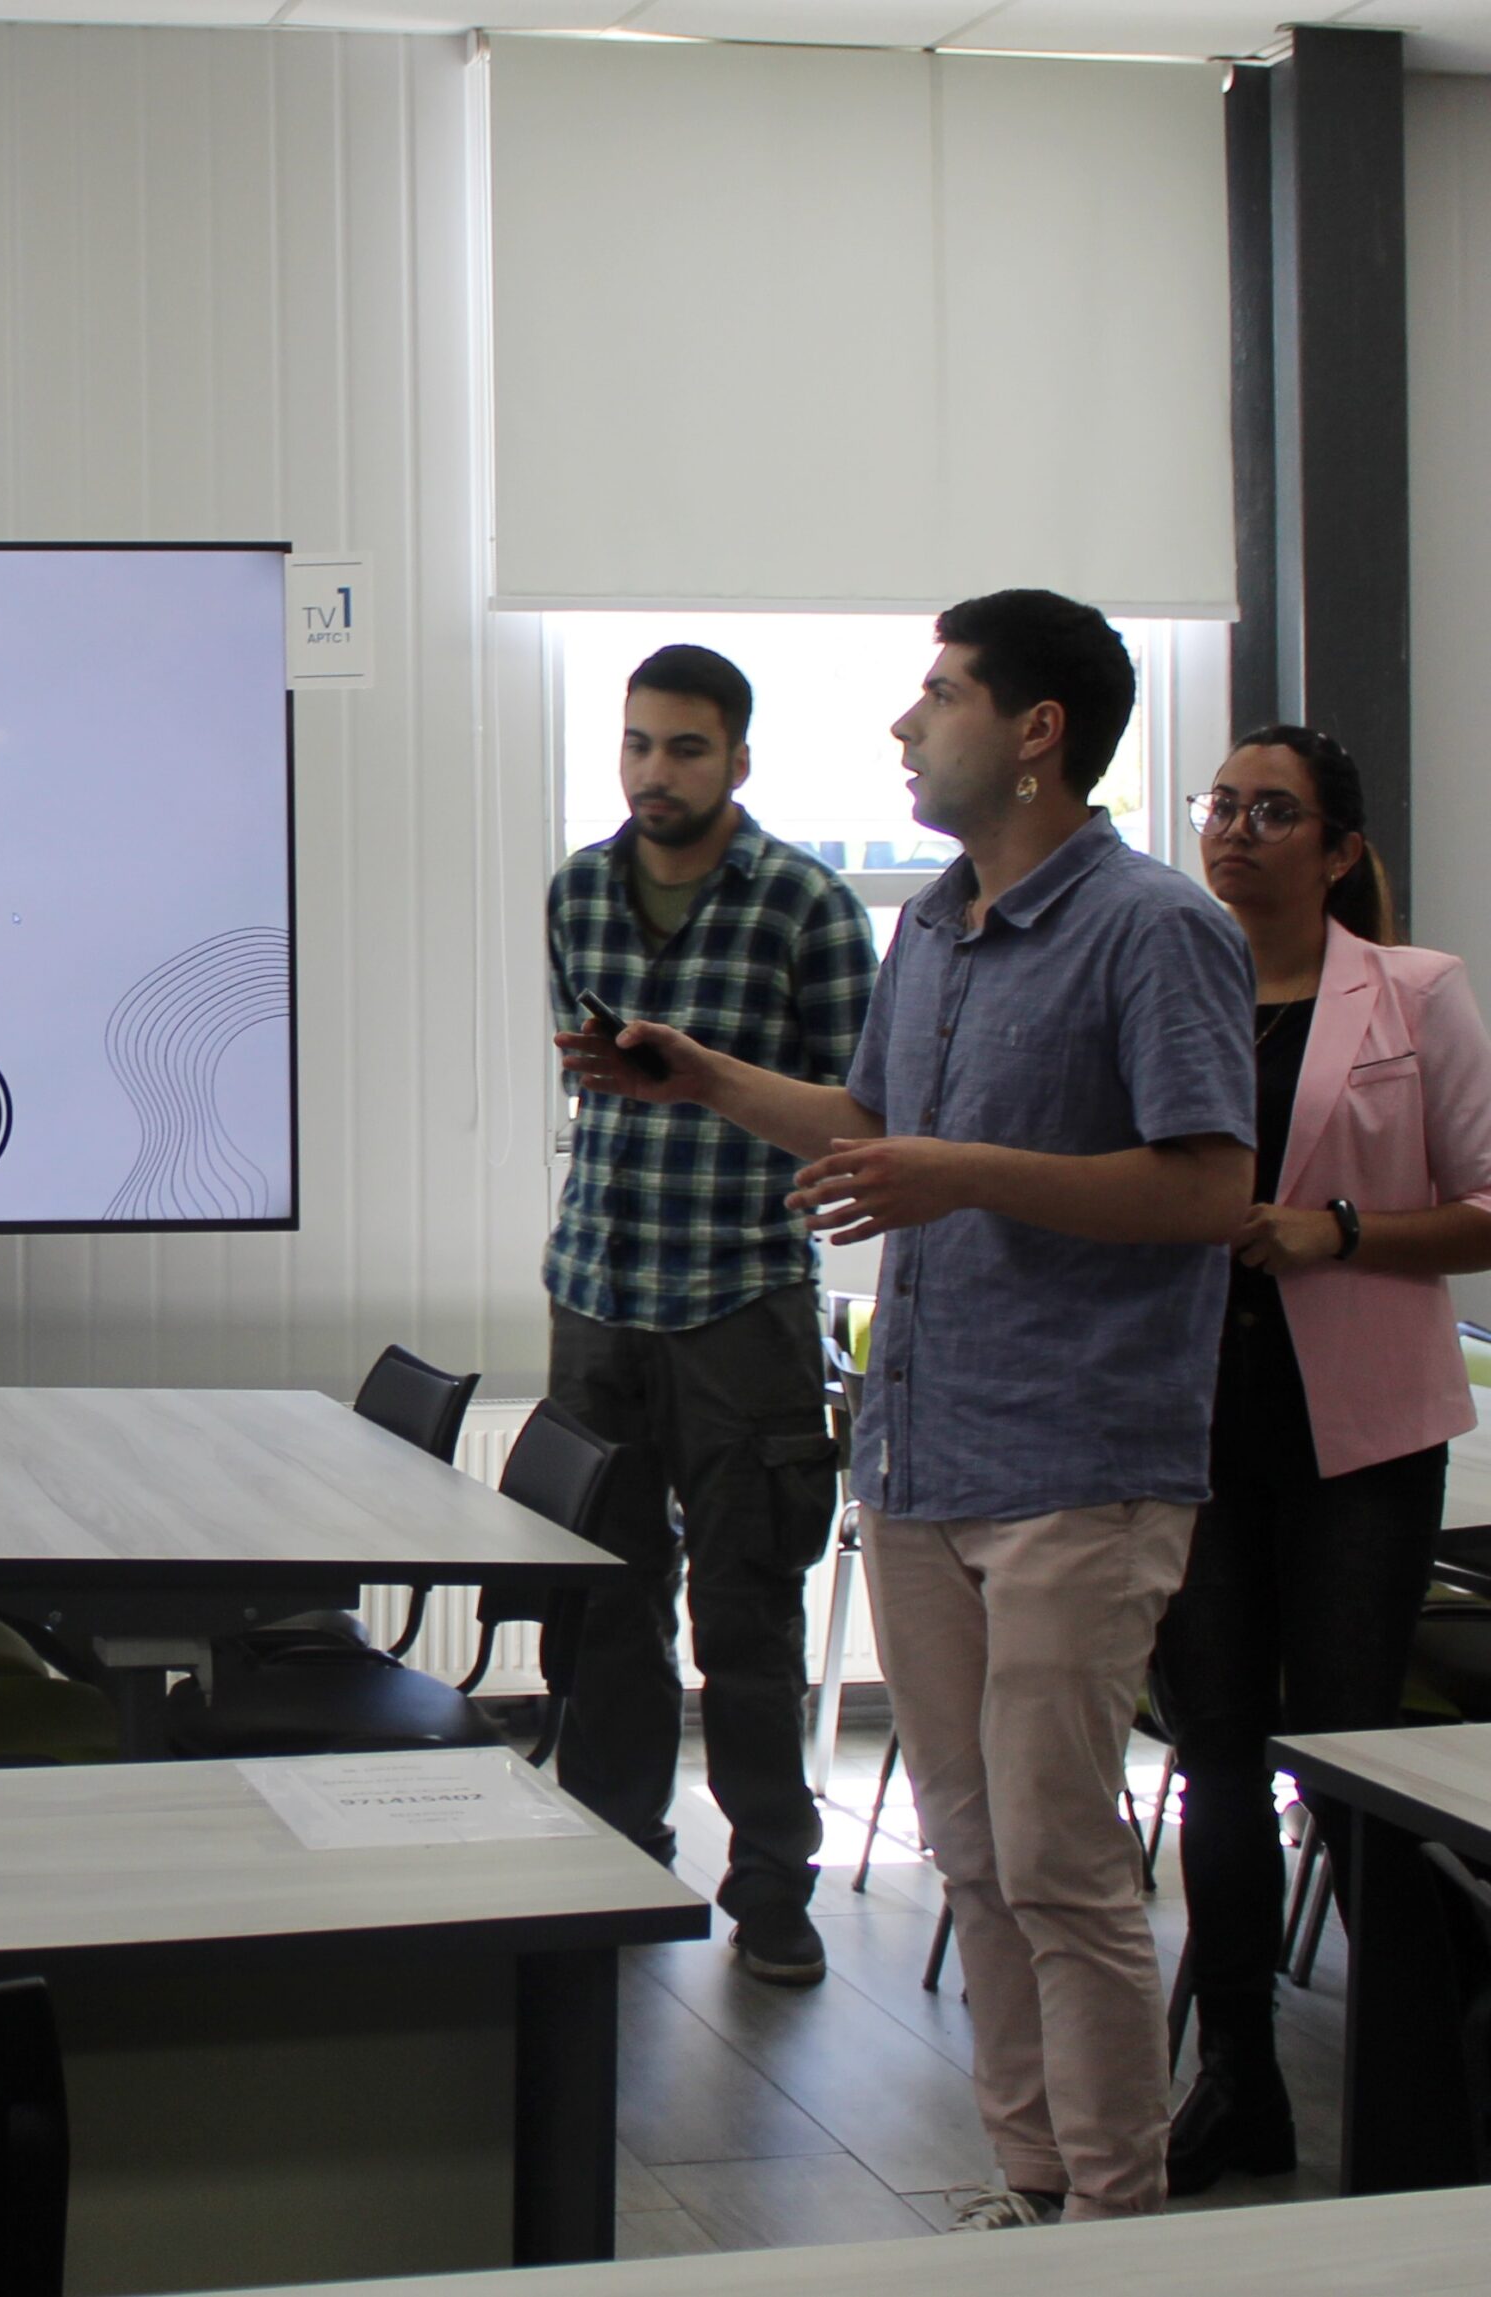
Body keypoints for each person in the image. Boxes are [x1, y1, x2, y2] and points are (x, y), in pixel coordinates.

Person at [559, 591, 1255, 2224]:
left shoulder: (1154, 927)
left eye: (938, 694)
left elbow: (1212, 1190)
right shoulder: (938, 923)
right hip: (927, 1452)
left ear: (1036, 733)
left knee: (1064, 1863)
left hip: (1079, 1457)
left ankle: (1116, 2220)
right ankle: (1033, 2182)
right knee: (976, 1855)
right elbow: (868, 1121)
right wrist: (703, 1076)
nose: (903, 723)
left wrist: (959, 1175)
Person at [1153, 728, 1491, 2195]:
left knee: (1350, 1758)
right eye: (1221, 804)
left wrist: (1337, 1233)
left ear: (1340, 849)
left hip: (1358, 1434)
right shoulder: (1169, 985)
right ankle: (1241, 2081)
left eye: (1272, 812)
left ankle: (1428, 2085)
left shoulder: (1415, 992)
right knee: (1218, 1761)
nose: (1234, 830)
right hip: (1192, 1419)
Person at [543, 642, 875, 1988]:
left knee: (746, 1614)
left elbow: (863, 1115)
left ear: (738, 759)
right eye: (637, 743)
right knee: (602, 1606)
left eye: (684, 748)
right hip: (599, 1289)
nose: (655, 772)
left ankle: (773, 1889)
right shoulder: (578, 889)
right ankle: (614, 1861)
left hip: (741, 1295)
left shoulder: (806, 905)